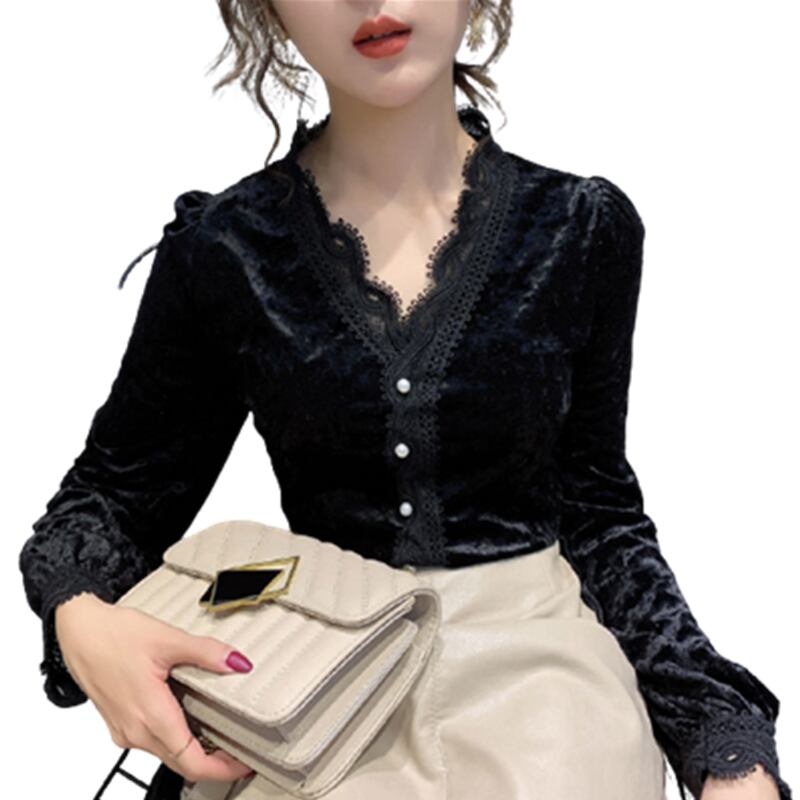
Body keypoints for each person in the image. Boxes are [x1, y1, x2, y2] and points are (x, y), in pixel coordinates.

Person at [17, 2, 792, 800]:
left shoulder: (580, 230)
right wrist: (81, 619)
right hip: (315, 693)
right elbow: (113, 497)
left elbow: (599, 517)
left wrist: (723, 745)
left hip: (549, 700)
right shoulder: (226, 251)